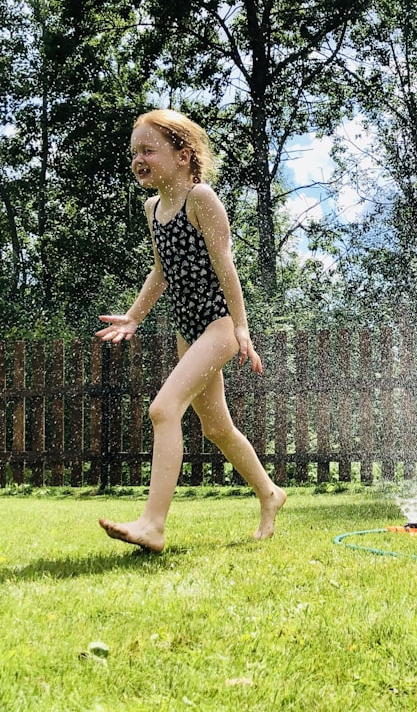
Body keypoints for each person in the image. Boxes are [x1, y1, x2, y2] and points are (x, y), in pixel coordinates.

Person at [96, 108, 287, 553]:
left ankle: (152, 525)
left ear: (183, 155)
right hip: (188, 329)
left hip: (217, 326)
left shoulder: (201, 198)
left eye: (148, 150)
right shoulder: (152, 208)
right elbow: (161, 272)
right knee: (217, 428)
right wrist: (134, 315)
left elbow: (226, 268)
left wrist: (241, 327)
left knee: (164, 410)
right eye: (134, 153)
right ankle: (270, 494)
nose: (138, 159)